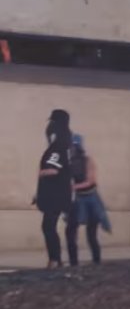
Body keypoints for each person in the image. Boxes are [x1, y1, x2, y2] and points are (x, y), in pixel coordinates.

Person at [66, 133, 111, 266]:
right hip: (77, 199)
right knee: (70, 232)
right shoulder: (68, 162)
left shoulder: (87, 161)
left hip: (90, 199)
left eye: (74, 146)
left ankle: (96, 262)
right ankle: (73, 263)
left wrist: (73, 187)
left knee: (91, 235)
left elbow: (91, 181)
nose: (72, 149)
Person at [35, 109, 73, 268]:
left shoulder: (58, 147)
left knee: (48, 226)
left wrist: (41, 173)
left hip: (55, 195)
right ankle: (55, 259)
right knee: (49, 226)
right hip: (57, 193)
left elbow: (54, 169)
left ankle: (55, 259)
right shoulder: (65, 145)